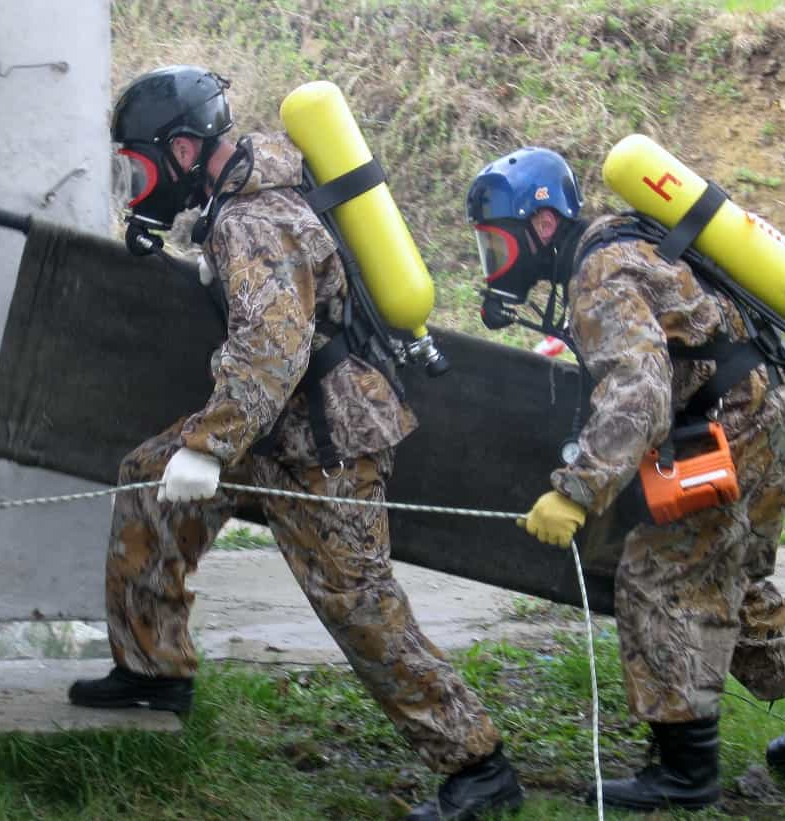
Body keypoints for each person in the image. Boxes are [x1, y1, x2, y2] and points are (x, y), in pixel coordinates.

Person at [67, 65, 525, 820]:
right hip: (274, 424)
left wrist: (208, 447)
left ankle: (478, 763)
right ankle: (154, 667)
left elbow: (271, 351)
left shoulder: (255, 219)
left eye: (141, 165)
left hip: (325, 438)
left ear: (184, 151)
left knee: (357, 602)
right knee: (147, 480)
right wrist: (204, 447)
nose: (139, 183)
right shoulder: (240, 200)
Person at [465, 146, 785, 811]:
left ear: (542, 225)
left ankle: (683, 771)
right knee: (718, 576)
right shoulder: (618, 244)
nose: (497, 261)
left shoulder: (598, 271)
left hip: (742, 423)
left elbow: (639, 394)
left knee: (659, 579)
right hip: (768, 414)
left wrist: (575, 489)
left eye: (499, 242)